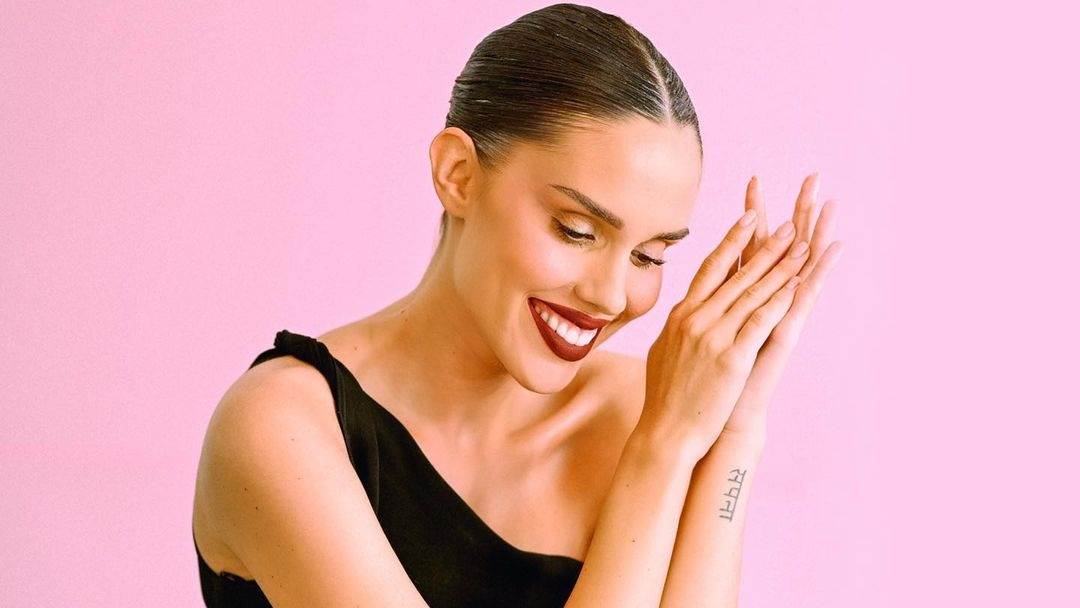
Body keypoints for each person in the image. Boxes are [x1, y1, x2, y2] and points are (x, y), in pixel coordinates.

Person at [191, 3, 843, 606]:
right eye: (576, 231)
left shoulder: (642, 412)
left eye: (649, 256)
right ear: (458, 175)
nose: (611, 296)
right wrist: (662, 451)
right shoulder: (281, 427)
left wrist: (733, 435)